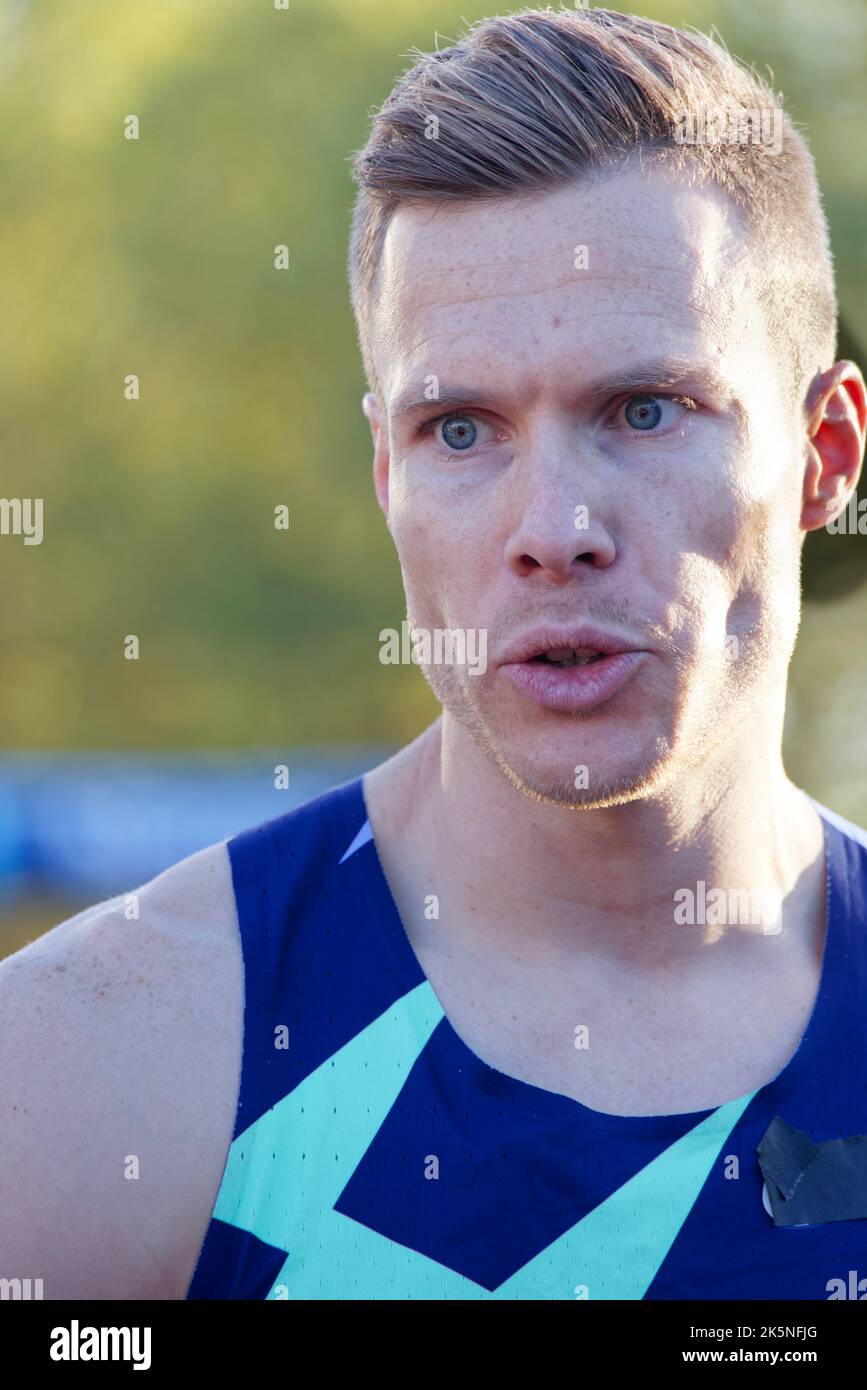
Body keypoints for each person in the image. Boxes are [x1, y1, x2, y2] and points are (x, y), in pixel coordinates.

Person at [2, 5, 865, 1302]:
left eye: (644, 409)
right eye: (461, 429)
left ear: (824, 458)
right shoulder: (85, 1063)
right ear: (385, 470)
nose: (555, 531)